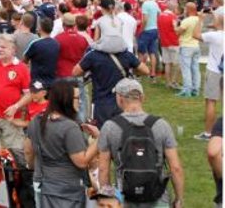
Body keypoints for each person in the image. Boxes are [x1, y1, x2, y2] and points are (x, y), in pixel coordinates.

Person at [97, 78, 185, 208]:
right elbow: (175, 168)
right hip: (157, 196)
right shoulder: (161, 125)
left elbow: (103, 169)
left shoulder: (110, 127)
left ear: (120, 99)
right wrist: (179, 198)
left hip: (125, 196)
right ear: (142, 98)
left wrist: (107, 200)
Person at [23, 78, 100, 207]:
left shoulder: (36, 120)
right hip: (67, 190)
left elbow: (28, 150)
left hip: (41, 184)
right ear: (66, 100)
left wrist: (32, 167)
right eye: (76, 98)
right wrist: (99, 138)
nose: (79, 101)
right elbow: (81, 161)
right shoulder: (69, 127)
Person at [74, 42, 149, 127]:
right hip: (121, 100)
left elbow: (75, 72)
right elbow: (145, 70)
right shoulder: (126, 54)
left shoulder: (93, 55)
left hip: (100, 102)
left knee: (99, 133)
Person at [195, 12, 224, 141]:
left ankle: (208, 133)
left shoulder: (214, 36)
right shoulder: (217, 35)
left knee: (211, 101)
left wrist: (200, 20)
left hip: (214, 71)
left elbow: (195, 35)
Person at [175, 1, 202, 98]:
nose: (185, 10)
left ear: (189, 10)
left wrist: (175, 25)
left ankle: (187, 90)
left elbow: (178, 31)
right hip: (195, 45)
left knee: (186, 69)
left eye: (186, 9)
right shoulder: (198, 19)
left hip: (186, 46)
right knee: (195, 68)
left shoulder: (187, 20)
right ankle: (196, 88)